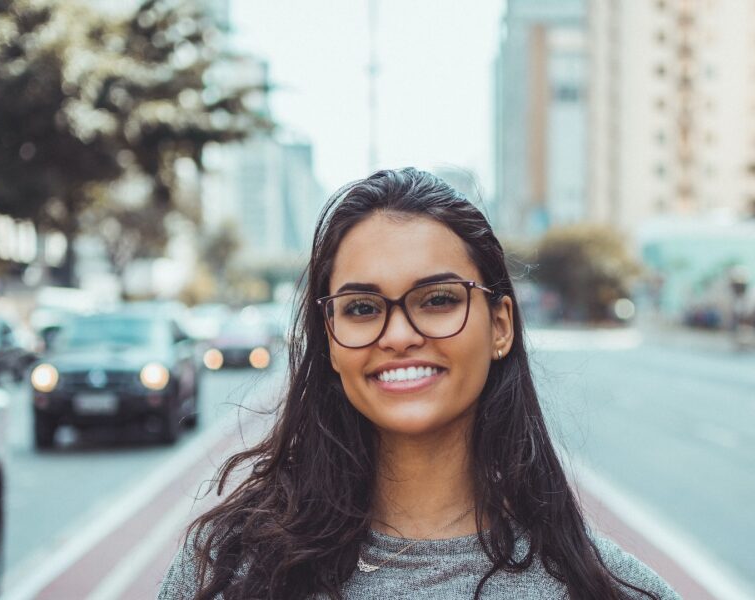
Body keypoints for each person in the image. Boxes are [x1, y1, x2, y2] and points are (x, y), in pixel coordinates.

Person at [158, 168, 678, 600]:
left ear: (500, 325)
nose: (400, 335)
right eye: (362, 308)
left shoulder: (607, 590)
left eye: (437, 300)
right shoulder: (225, 570)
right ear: (330, 340)